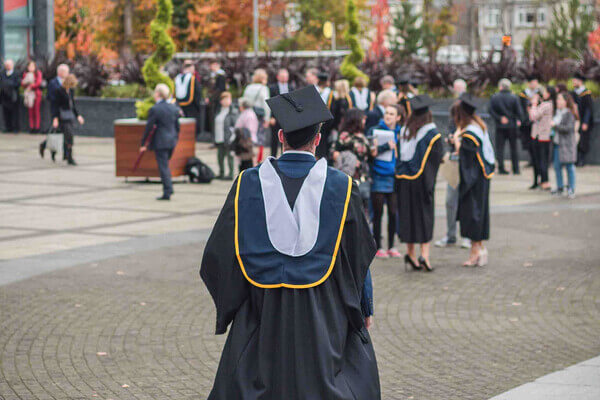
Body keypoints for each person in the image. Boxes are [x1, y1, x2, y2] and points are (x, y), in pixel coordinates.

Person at [201, 85, 380, 399]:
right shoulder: (342, 186)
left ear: (280, 137)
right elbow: (359, 256)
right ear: (319, 140)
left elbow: (217, 255)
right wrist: (364, 308)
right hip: (324, 313)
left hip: (262, 309)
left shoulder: (248, 183)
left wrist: (233, 305)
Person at [395, 95, 444, 272]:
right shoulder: (432, 134)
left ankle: (411, 254)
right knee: (424, 217)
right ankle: (425, 254)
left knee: (408, 216)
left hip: (403, 181)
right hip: (422, 182)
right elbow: (435, 160)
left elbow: (399, 157)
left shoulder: (404, 131)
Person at [452, 93, 495, 267]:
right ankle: (480, 249)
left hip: (474, 181)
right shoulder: (479, 126)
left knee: (473, 214)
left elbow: (467, 162)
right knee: (480, 212)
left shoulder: (469, 134)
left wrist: (457, 144)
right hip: (483, 178)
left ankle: (475, 252)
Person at [436, 79, 471, 249]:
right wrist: (451, 139)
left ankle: (466, 236)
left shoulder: (473, 128)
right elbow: (451, 134)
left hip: (467, 165)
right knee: (450, 201)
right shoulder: (453, 120)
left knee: (465, 201)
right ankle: (450, 235)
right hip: (454, 163)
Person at [368, 104, 404, 259]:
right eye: (386, 113)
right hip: (378, 175)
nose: (388, 116)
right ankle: (378, 247)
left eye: (391, 113)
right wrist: (384, 147)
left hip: (394, 176)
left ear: (398, 117)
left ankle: (392, 246)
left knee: (393, 212)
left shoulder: (402, 133)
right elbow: (370, 153)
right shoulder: (374, 131)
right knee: (378, 213)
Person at [140, 84, 180, 200]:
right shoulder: (173, 108)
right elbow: (177, 126)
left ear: (157, 94)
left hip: (161, 142)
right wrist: (175, 138)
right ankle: (168, 188)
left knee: (163, 167)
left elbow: (149, 127)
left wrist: (143, 144)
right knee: (165, 165)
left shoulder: (155, 109)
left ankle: (167, 191)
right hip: (172, 141)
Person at [331, 108, 374, 211]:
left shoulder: (362, 136)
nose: (365, 120)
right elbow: (334, 153)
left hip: (363, 177)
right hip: (351, 177)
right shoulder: (345, 136)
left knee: (362, 208)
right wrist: (350, 160)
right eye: (362, 118)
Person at [488, 78, 523, 175]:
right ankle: (516, 169)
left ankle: (501, 168)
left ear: (500, 87)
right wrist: (515, 119)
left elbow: (490, 110)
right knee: (514, 148)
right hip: (512, 126)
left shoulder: (494, 97)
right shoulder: (514, 97)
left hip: (500, 127)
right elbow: (519, 112)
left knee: (500, 148)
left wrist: (499, 118)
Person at [50, 74, 85, 165]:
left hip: (69, 116)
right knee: (65, 136)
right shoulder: (59, 91)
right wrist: (55, 118)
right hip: (62, 117)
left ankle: (68, 156)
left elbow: (72, 105)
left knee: (68, 136)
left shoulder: (71, 91)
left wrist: (78, 116)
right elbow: (55, 106)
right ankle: (62, 154)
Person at [551, 92, 578, 199]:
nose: (557, 101)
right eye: (557, 99)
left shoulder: (569, 113)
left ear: (565, 101)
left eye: (559, 99)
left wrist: (555, 126)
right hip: (557, 144)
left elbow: (569, 128)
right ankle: (560, 187)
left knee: (569, 167)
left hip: (567, 145)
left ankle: (571, 188)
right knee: (557, 167)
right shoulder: (557, 112)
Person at [243, 68, 271, 163]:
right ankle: (258, 159)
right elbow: (266, 104)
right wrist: (267, 118)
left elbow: (244, 102)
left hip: (248, 115)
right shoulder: (264, 88)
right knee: (260, 138)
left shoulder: (248, 88)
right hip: (259, 117)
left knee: (249, 136)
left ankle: (250, 157)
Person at [529, 86, 554, 191]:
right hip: (538, 135)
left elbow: (533, 116)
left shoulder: (547, 105)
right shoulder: (545, 104)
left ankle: (544, 181)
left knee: (542, 160)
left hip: (542, 137)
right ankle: (538, 181)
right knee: (537, 160)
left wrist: (534, 104)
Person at [268, 68, 295, 157]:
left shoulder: (291, 87)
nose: (284, 78)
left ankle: (285, 156)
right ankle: (273, 157)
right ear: (278, 77)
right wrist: (271, 117)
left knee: (287, 138)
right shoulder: (272, 88)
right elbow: (270, 103)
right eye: (282, 76)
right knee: (274, 139)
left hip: (287, 118)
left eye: (286, 77)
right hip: (275, 117)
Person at [571, 72, 594, 167]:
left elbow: (589, 109)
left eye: (574, 80)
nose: (573, 82)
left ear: (580, 81)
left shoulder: (586, 93)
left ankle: (581, 159)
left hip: (583, 121)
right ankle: (575, 159)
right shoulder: (573, 93)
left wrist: (585, 122)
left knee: (583, 140)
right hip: (574, 120)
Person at [213, 92, 238, 180]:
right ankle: (221, 172)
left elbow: (235, 125)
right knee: (220, 156)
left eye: (228, 99)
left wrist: (232, 137)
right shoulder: (219, 111)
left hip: (228, 138)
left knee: (229, 156)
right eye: (224, 99)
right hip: (219, 137)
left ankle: (231, 173)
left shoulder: (233, 111)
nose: (227, 101)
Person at [175, 60, 203, 138]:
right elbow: (197, 93)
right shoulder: (192, 78)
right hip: (192, 107)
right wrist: (198, 106)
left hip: (180, 107)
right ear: (190, 68)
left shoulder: (177, 78)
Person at [518, 75, 540, 168]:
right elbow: (520, 108)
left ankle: (538, 160)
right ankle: (531, 160)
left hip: (537, 121)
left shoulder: (540, 93)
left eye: (535, 82)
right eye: (531, 82)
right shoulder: (523, 94)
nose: (533, 84)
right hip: (527, 122)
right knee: (529, 142)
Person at [234, 97, 259, 170]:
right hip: (244, 141)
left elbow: (249, 130)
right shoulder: (246, 113)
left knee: (247, 162)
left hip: (247, 142)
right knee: (243, 162)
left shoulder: (249, 115)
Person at [315, 72, 335, 159]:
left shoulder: (329, 92)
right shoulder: (315, 90)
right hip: (320, 120)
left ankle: (320, 157)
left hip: (321, 121)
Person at [21, 61, 43, 133]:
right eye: (29, 66)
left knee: (36, 111)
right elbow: (23, 84)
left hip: (36, 94)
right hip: (29, 95)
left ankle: (37, 127)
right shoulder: (25, 74)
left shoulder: (38, 73)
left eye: (32, 66)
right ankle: (31, 127)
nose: (31, 68)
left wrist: (31, 86)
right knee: (30, 112)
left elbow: (39, 83)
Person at [206, 60, 227, 135]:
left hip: (217, 100)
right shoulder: (212, 75)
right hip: (212, 101)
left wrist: (211, 97)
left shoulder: (221, 75)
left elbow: (220, 89)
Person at [0, 59, 20, 133]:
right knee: (6, 113)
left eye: (9, 65)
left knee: (15, 113)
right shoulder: (2, 73)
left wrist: (9, 84)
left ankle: (15, 128)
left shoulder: (16, 73)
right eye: (6, 65)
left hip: (13, 97)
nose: (7, 66)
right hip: (5, 96)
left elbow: (18, 83)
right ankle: (8, 128)